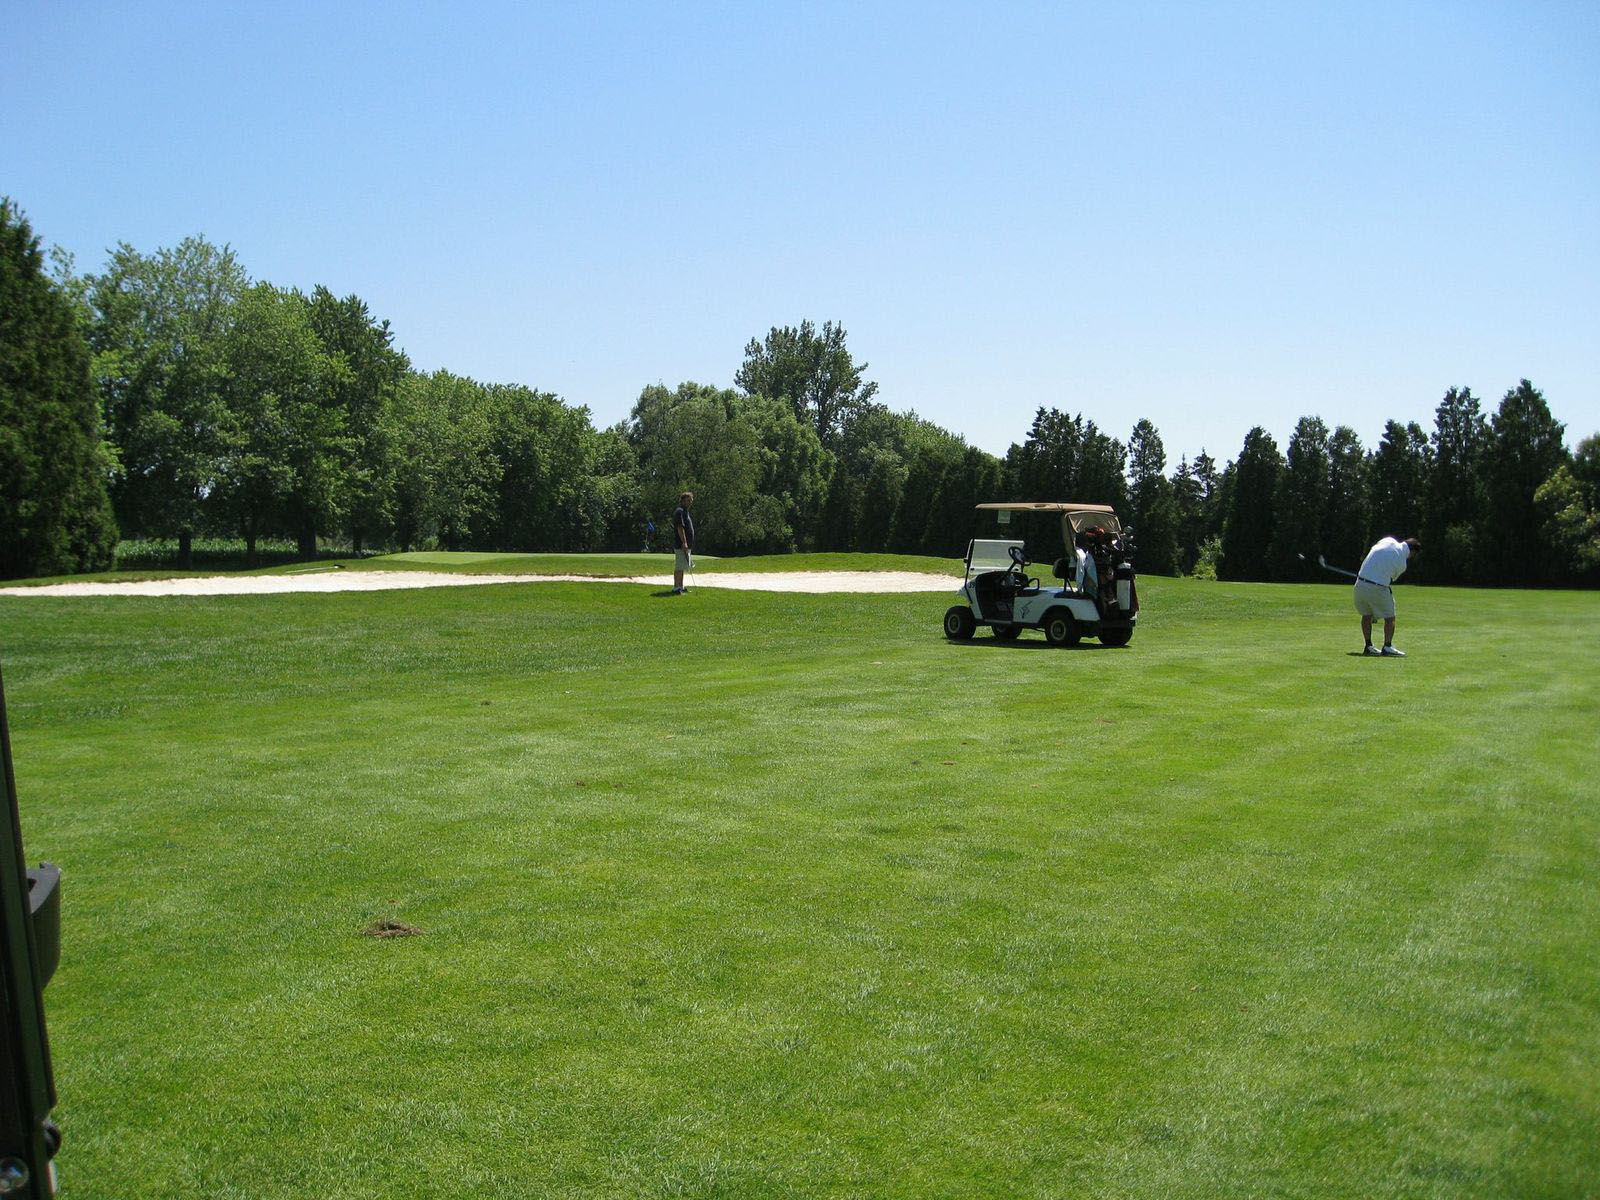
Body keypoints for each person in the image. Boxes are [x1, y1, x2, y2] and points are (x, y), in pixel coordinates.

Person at [1355, 536, 1420, 656]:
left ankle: (1368, 646)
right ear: (1412, 552)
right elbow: (1392, 578)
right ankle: (1387, 646)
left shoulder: (1387, 540)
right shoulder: (1402, 563)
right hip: (1377, 587)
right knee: (1390, 617)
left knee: (1366, 615)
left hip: (1359, 584)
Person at [671, 491, 695, 595]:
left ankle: (681, 586)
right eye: (688, 500)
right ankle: (676, 587)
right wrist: (684, 542)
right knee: (679, 567)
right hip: (681, 544)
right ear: (683, 501)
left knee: (683, 566)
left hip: (686, 544)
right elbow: (680, 528)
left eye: (691, 501)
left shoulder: (685, 512)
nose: (690, 503)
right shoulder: (679, 511)